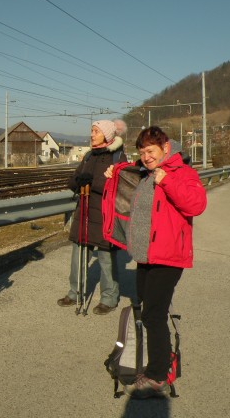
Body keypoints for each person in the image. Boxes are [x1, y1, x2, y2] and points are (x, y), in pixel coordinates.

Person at [105, 126, 207, 398]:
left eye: (150, 151)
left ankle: (157, 375)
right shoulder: (147, 173)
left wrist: (168, 182)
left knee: (154, 314)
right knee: (146, 309)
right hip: (146, 255)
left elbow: (196, 204)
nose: (146, 157)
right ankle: (149, 361)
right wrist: (114, 172)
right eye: (142, 152)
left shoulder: (181, 172)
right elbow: (128, 176)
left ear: (165, 147)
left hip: (168, 256)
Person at [57, 120, 126, 315]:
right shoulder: (88, 156)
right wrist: (76, 182)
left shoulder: (117, 156)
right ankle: (74, 292)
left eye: (96, 131)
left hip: (105, 215)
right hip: (84, 213)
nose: (92, 134)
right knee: (78, 257)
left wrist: (93, 183)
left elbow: (118, 186)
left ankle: (109, 298)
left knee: (106, 259)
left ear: (106, 135)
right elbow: (74, 179)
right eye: (91, 131)